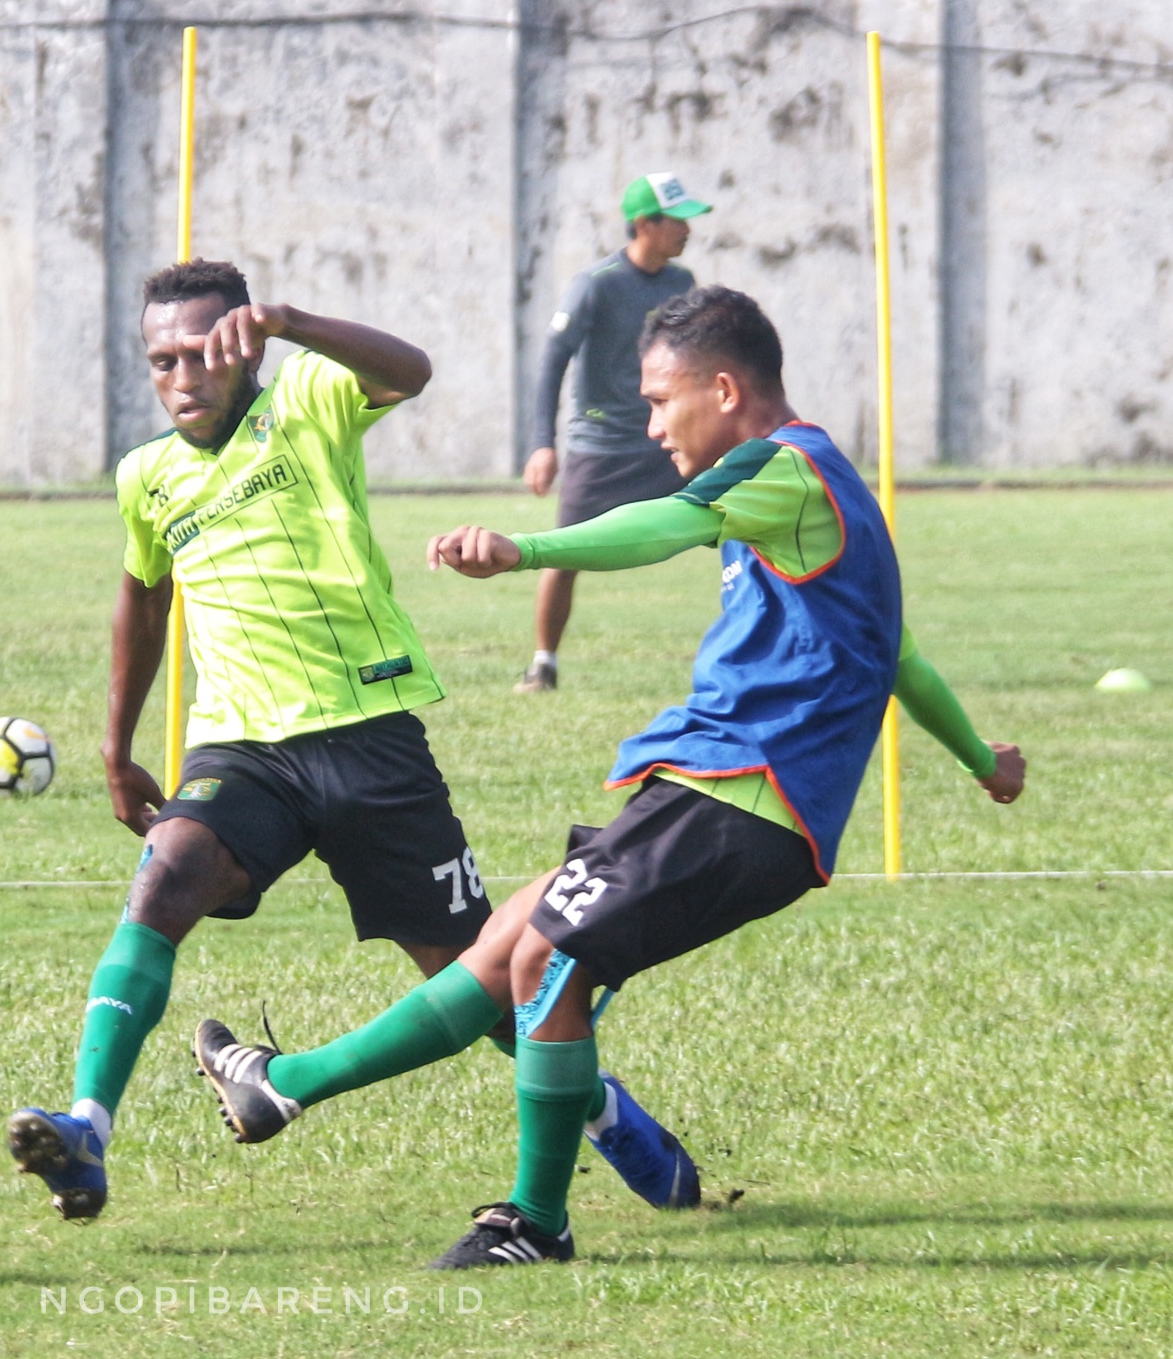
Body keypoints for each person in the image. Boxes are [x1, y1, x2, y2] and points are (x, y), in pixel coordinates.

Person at [194, 286, 1026, 1269]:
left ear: (723, 389)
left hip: (739, 798)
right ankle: (281, 1082)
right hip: (722, 797)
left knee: (547, 965)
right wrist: (981, 758)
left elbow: (661, 526)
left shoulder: (778, 471)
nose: (649, 422)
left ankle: (534, 1222)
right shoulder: (819, 489)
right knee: (511, 936)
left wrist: (523, 549)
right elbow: (899, 657)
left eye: (660, 399)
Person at [5, 259, 522, 1221]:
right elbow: (142, 600)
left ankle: (607, 1114)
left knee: (479, 986)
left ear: (242, 346)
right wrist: (116, 748)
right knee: (164, 878)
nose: (183, 377)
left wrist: (294, 321)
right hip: (242, 749)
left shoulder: (308, 400)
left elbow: (410, 370)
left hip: (369, 737)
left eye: (202, 353)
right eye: (162, 361)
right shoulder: (146, 477)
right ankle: (85, 1130)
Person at [516, 172, 712, 693]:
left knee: (736, 524)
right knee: (563, 553)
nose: (687, 230)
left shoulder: (681, 284)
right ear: (645, 224)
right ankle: (544, 664)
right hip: (600, 444)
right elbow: (553, 361)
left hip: (664, 441)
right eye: (678, 220)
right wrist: (542, 443)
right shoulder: (594, 285)